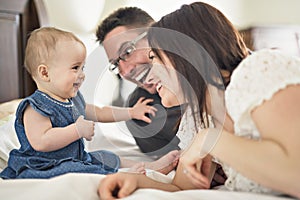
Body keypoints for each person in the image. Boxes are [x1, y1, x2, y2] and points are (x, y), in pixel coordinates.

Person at [98, 2, 300, 199]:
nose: (150, 73)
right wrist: (133, 180)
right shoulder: (199, 117)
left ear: (185, 54)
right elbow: (181, 186)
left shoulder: (257, 72)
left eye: (155, 57)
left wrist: (210, 139)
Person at [0, 27, 180, 179]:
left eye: (83, 67)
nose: (82, 74)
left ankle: (151, 167)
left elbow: (100, 112)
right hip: (44, 166)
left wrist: (131, 112)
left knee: (105, 156)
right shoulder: (35, 107)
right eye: (75, 68)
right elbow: (42, 141)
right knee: (78, 171)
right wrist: (76, 130)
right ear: (45, 73)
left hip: (76, 158)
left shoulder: (73, 100)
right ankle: (121, 177)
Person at [95, 7, 183, 157]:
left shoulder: (208, 65)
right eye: (116, 64)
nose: (126, 72)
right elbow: (178, 163)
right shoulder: (141, 115)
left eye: (127, 52)